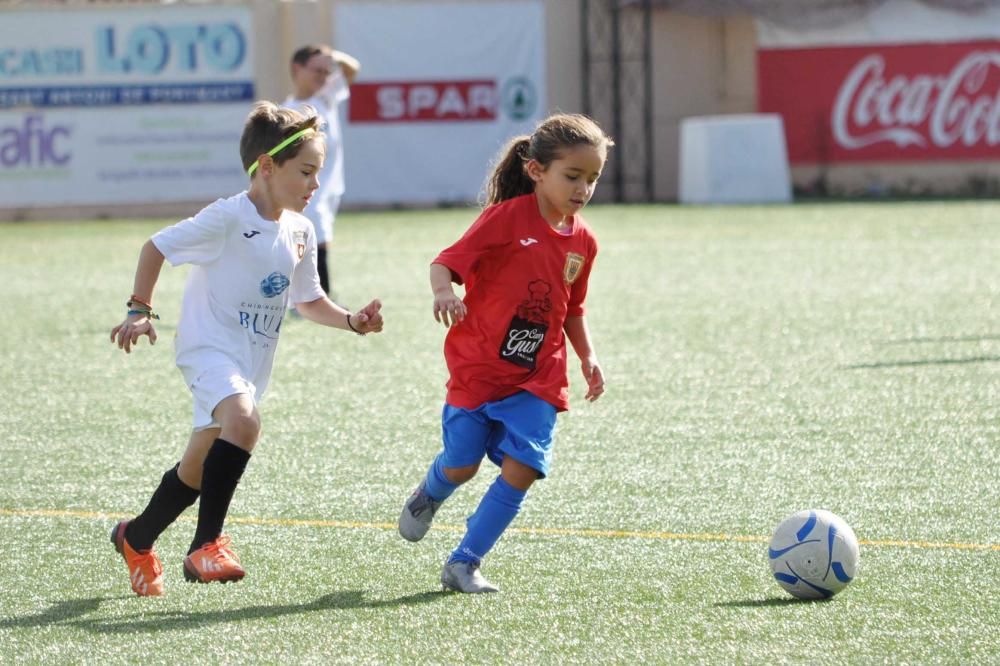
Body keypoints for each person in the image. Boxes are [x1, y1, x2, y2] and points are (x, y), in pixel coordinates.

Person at [108, 101, 384, 597]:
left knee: (199, 465)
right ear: (267, 166)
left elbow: (309, 300)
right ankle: (206, 546)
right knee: (245, 421)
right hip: (206, 347)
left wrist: (352, 322)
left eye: (317, 172)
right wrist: (138, 309)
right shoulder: (227, 217)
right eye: (306, 172)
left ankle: (137, 536)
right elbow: (156, 247)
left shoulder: (301, 229)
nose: (314, 185)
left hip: (251, 359)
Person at [397, 113, 612, 593]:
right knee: (462, 464)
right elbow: (445, 262)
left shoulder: (584, 241)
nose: (583, 188)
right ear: (536, 171)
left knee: (524, 467)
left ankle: (464, 562)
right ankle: (431, 492)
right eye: (572, 176)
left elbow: (572, 308)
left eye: (593, 178)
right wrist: (442, 293)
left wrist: (587, 356)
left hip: (538, 375)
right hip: (478, 368)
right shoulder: (505, 219)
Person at [283, 44, 360, 297]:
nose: (323, 76)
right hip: (307, 187)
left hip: (332, 186)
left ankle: (305, 295)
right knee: (316, 235)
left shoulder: (324, 97)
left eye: (327, 71)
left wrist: (334, 56)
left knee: (310, 238)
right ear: (298, 69)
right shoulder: (286, 111)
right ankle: (320, 296)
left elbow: (352, 69)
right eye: (317, 70)